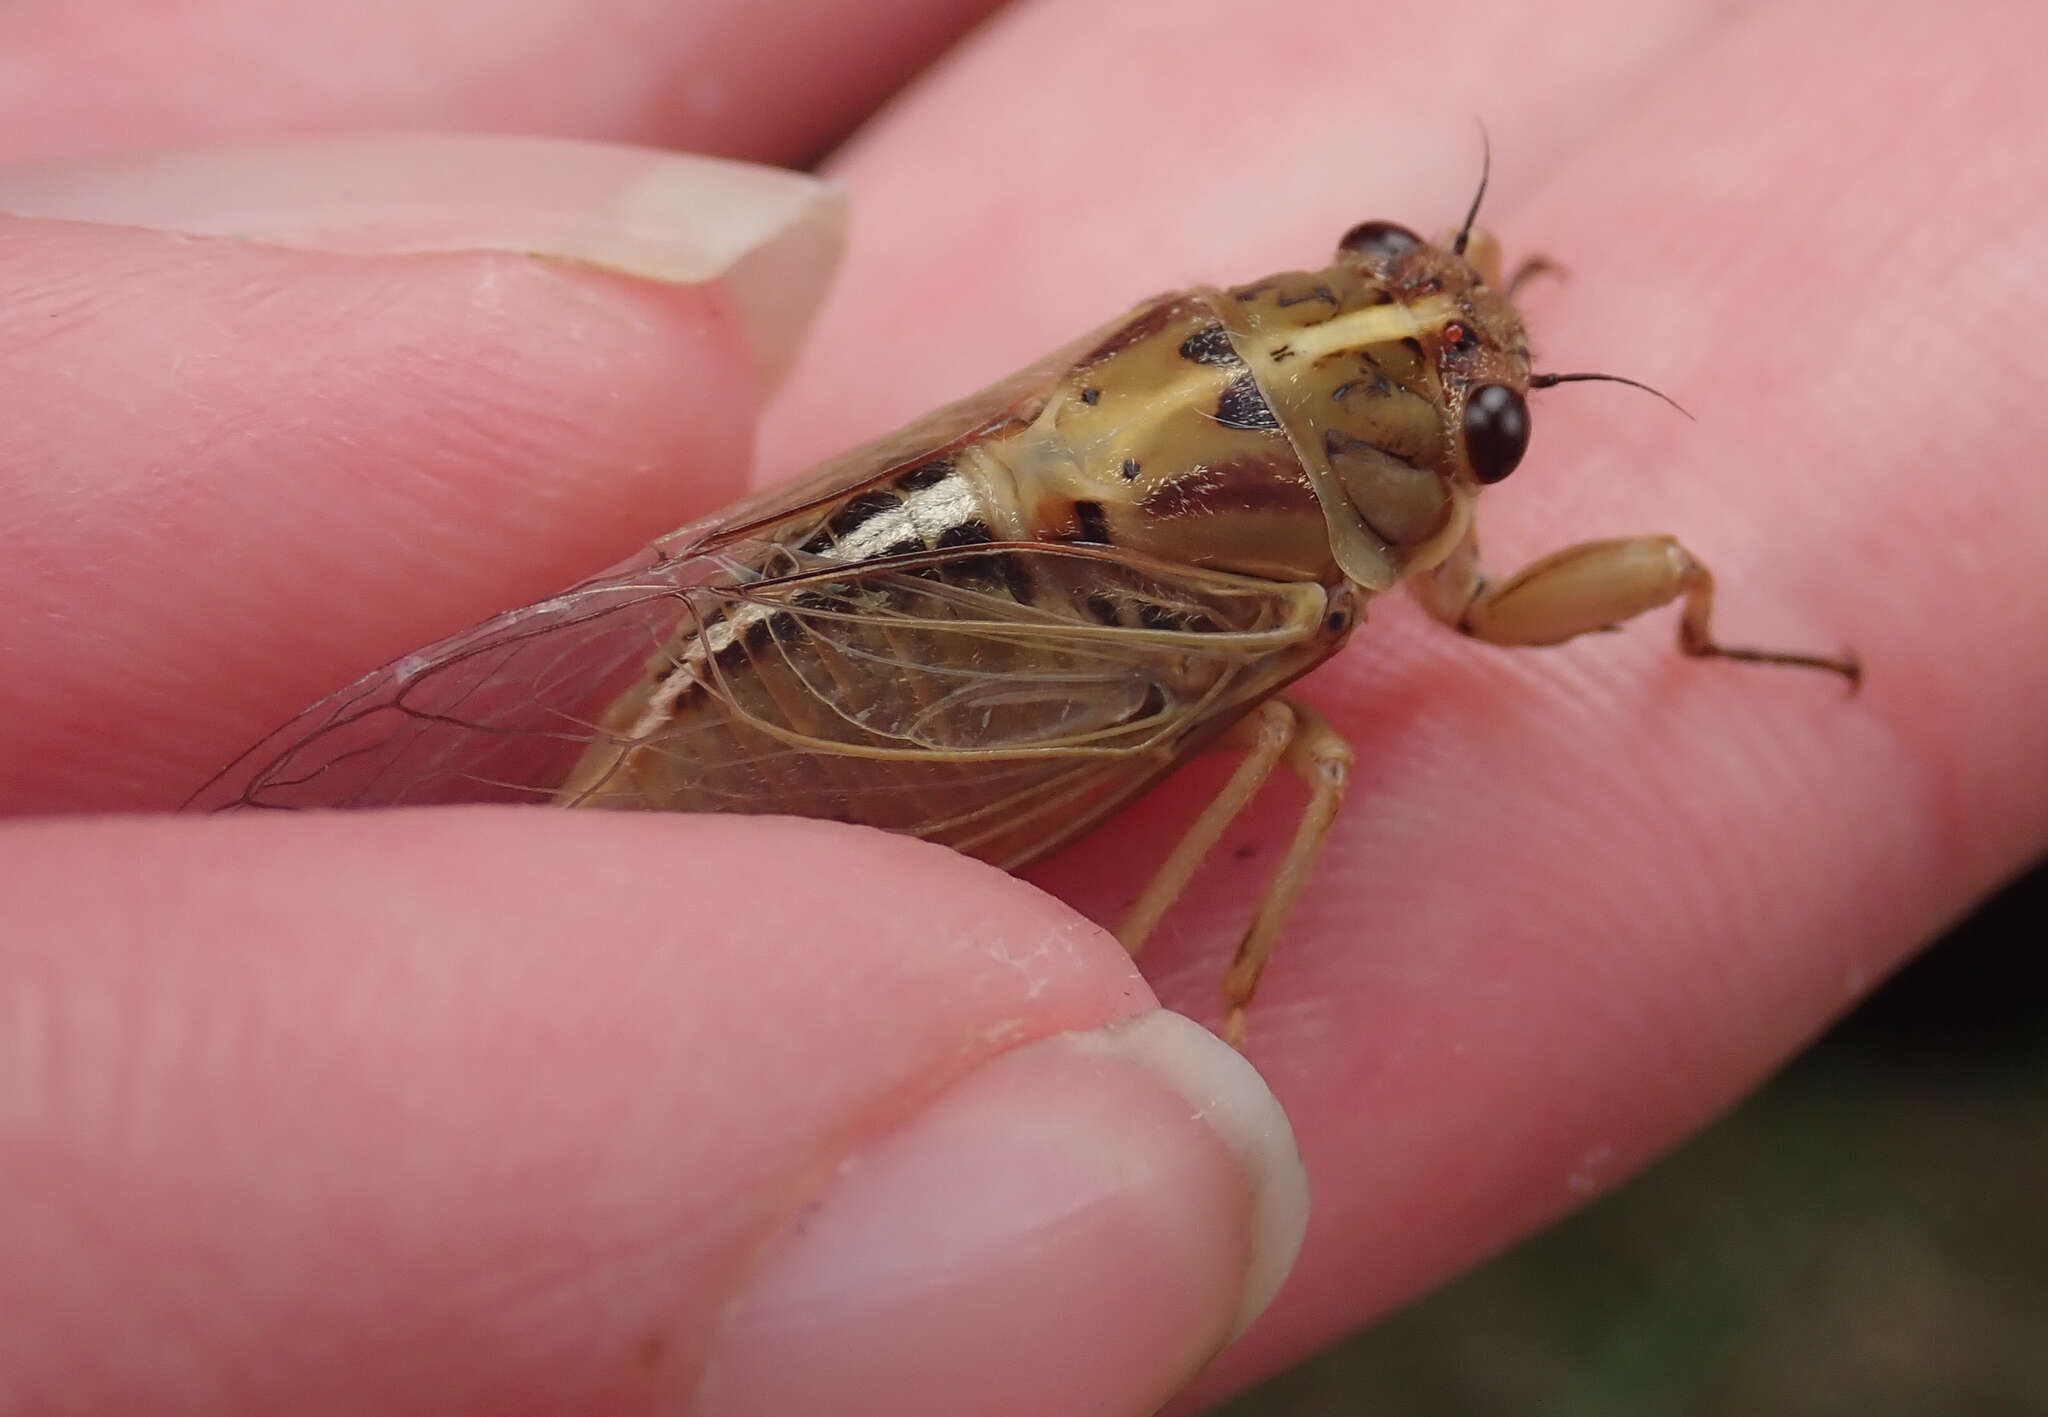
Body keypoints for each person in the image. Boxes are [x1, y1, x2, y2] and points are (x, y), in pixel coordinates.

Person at [3, 3, 2043, 1413]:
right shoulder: (1331, 579)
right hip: (914, 675)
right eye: (1469, 401)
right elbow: (1457, 634)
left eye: (1479, 409)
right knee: (1294, 742)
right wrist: (1219, 1011)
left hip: (865, 562)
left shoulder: (1219, 363)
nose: (1477, 380)